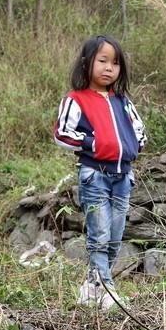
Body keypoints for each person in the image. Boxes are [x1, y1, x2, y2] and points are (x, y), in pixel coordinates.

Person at [53, 35, 146, 310]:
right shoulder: (76, 99)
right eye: (103, 61)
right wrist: (94, 144)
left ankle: (91, 287)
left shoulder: (123, 102)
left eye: (115, 63)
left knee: (116, 235)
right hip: (95, 175)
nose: (109, 68)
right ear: (86, 63)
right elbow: (62, 133)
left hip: (123, 176)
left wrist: (131, 146)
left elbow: (140, 132)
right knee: (100, 233)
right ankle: (108, 289)